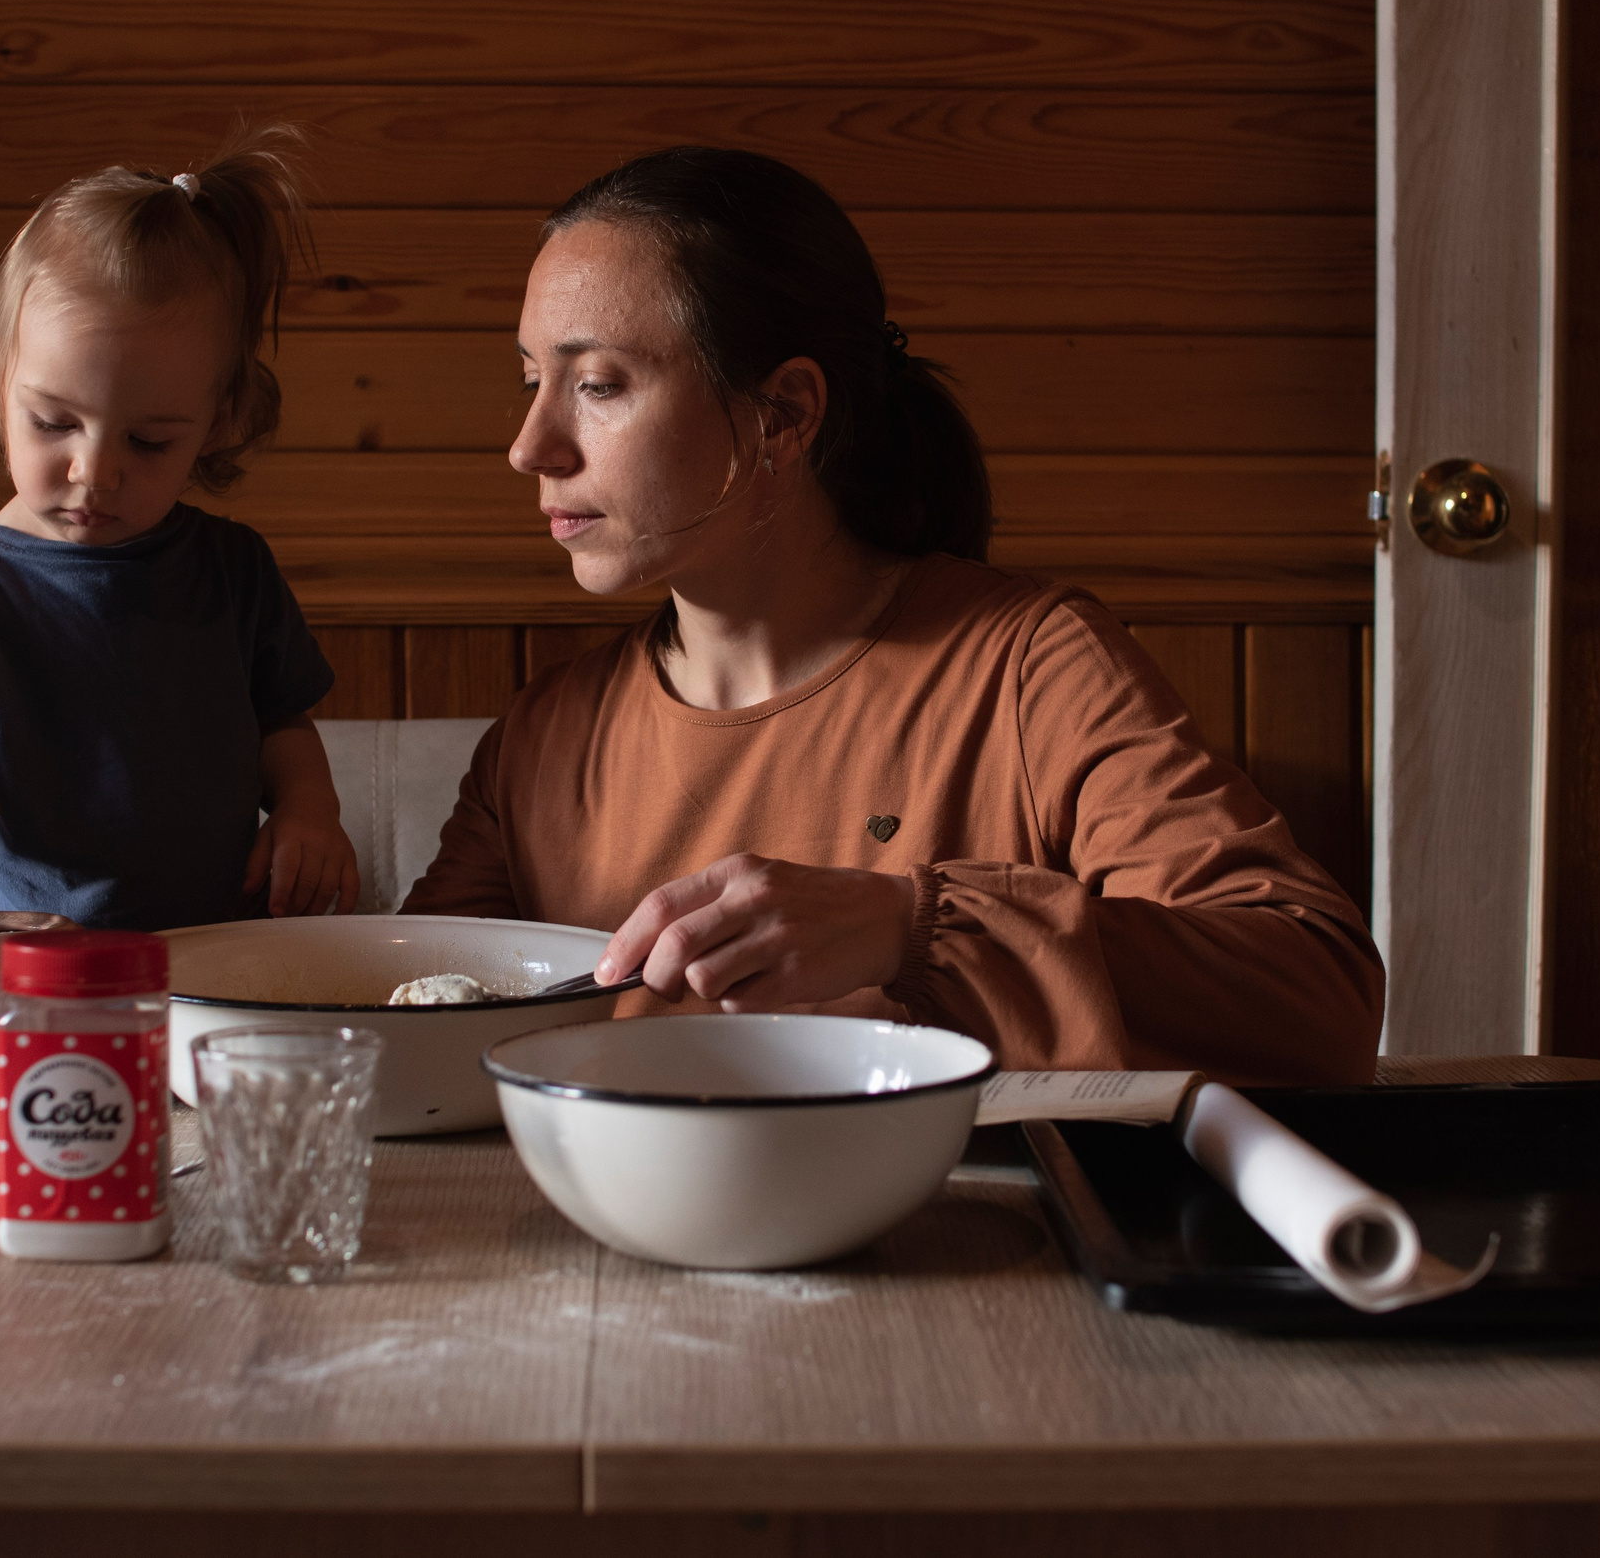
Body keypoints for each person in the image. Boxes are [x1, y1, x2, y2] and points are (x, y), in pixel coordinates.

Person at [405, 147, 1383, 1083]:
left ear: (784, 413)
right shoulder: (542, 740)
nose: (530, 446)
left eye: (597, 385)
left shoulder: (1030, 668)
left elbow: (1319, 996)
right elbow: (401, 1042)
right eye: (531, 381)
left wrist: (910, 927)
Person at [0, 131, 360, 939]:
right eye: (54, 423)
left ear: (218, 421)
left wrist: (308, 810)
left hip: (217, 960)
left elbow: (281, 728)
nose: (95, 472)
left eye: (148, 441)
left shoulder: (234, 571)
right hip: (26, 967)